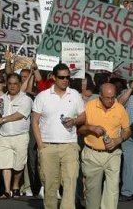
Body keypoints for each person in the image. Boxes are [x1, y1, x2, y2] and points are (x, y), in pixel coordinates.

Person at [31, 63, 85, 209]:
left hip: (69, 145)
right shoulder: (42, 96)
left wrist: (74, 120)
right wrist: (41, 146)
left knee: (70, 181)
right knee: (49, 184)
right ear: (54, 77)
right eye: (61, 77)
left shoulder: (74, 95)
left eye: (68, 77)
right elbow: (34, 122)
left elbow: (83, 116)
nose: (65, 80)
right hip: (48, 146)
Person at [77, 83, 131, 209]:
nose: (111, 100)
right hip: (92, 154)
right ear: (100, 96)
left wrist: (118, 139)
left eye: (113, 97)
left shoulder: (119, 108)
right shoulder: (89, 106)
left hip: (113, 154)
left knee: (112, 189)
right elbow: (80, 129)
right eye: (107, 97)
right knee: (93, 191)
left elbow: (127, 130)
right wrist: (92, 128)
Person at [0, 73, 33, 198]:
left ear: (20, 84)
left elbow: (20, 114)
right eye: (10, 83)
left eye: (15, 83)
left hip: (20, 136)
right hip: (4, 136)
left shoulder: (26, 99)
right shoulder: (1, 99)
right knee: (5, 164)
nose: (12, 86)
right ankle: (7, 189)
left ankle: (15, 185)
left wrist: (3, 120)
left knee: (18, 165)